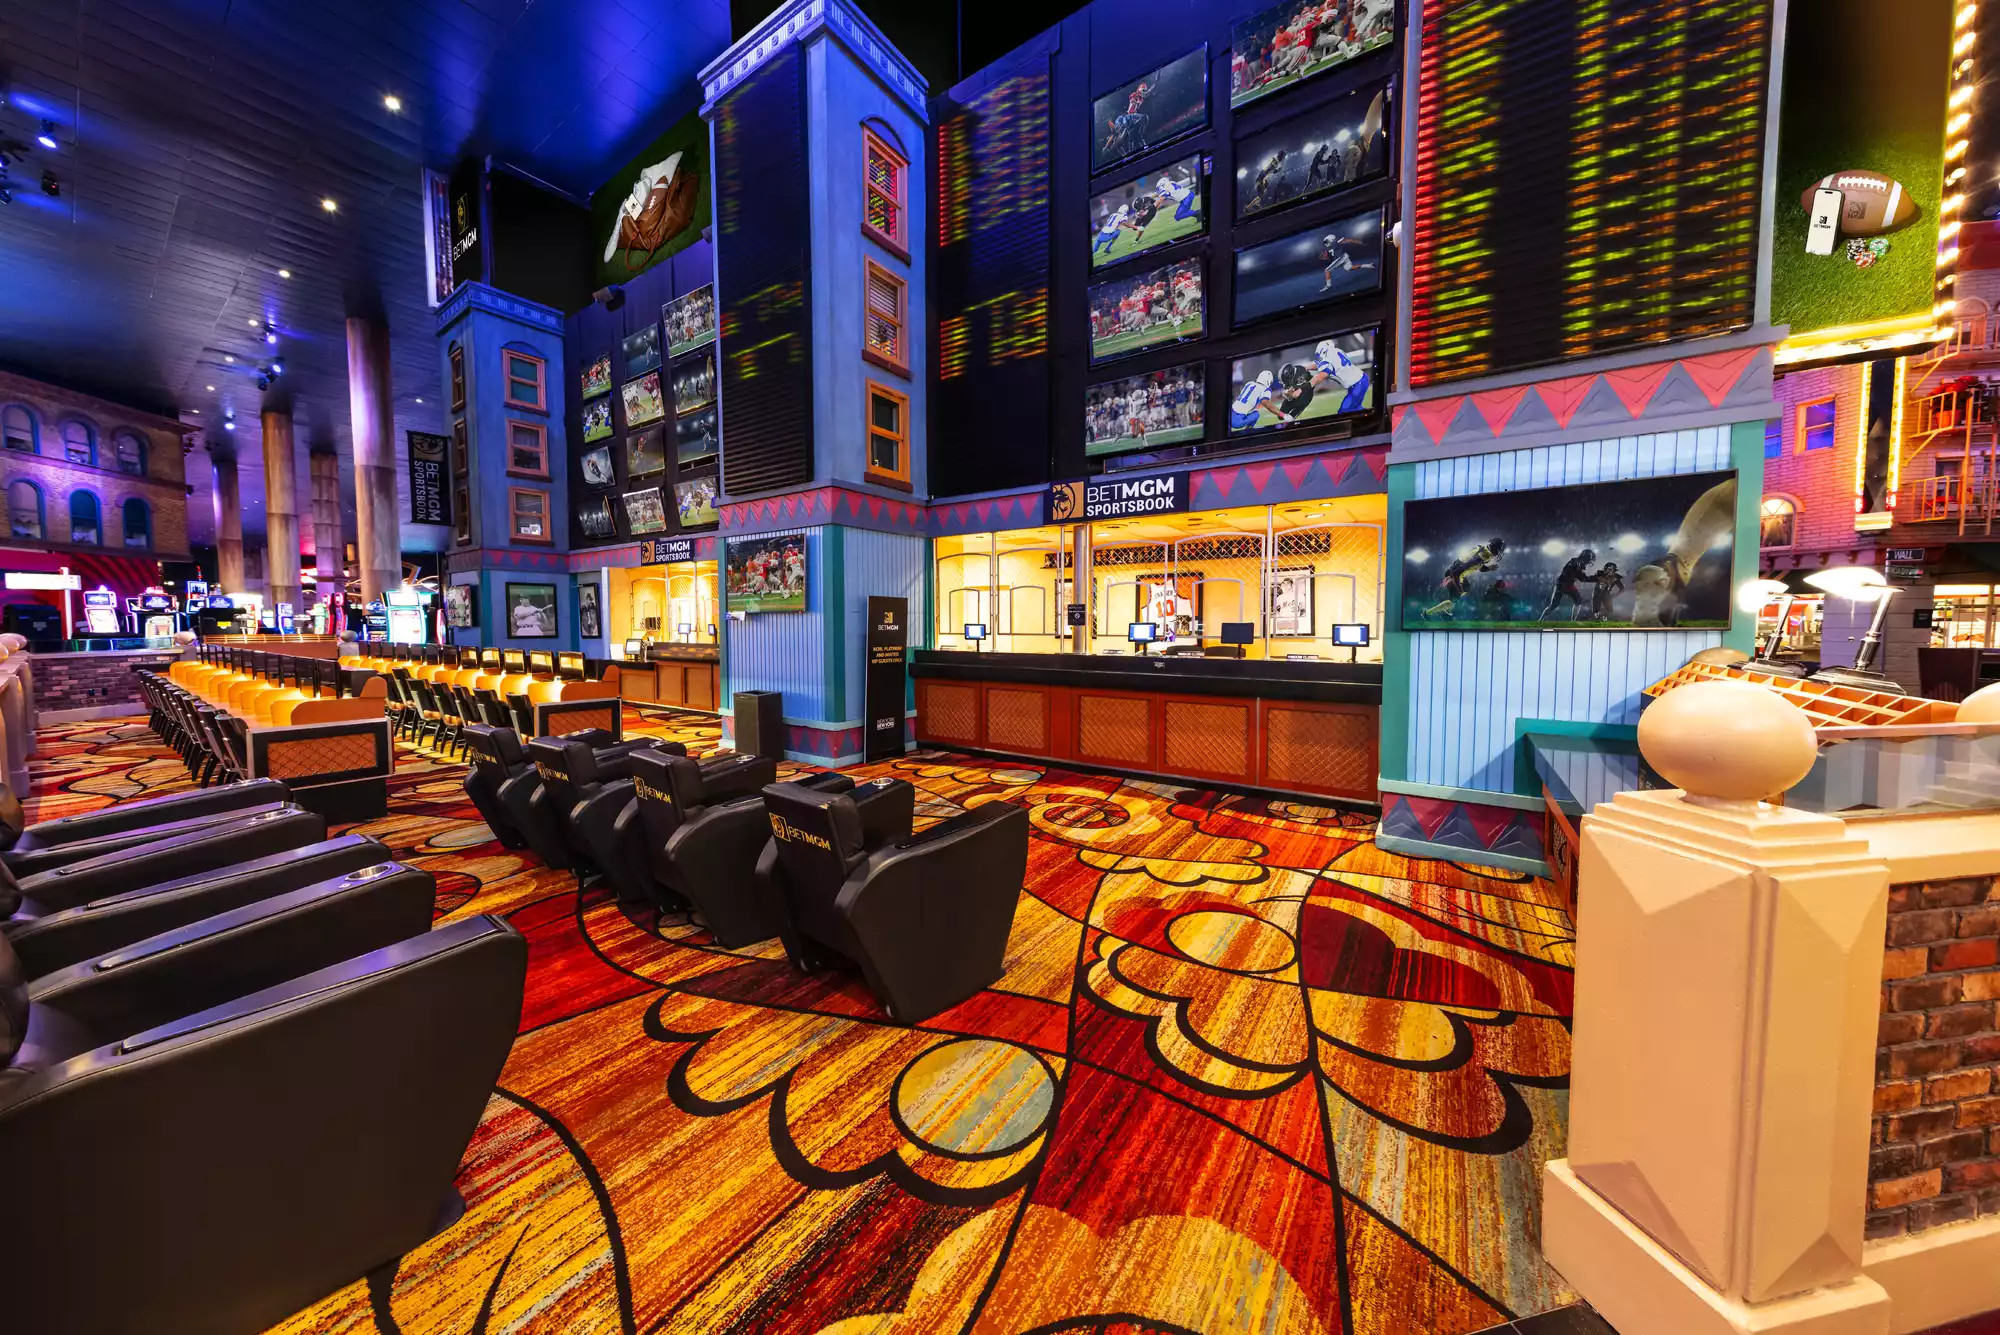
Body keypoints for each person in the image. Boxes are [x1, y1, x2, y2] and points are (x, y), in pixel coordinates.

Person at [1425, 540, 1508, 618]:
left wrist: (1489, 568)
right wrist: (1458, 587)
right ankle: (1427, 613)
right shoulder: (1482, 556)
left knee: (1466, 588)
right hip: (1454, 574)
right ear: (1494, 548)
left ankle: (1446, 605)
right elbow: (1458, 571)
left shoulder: (1483, 551)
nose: (1499, 554)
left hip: (1456, 573)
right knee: (1455, 600)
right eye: (1499, 551)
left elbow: (1479, 566)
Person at [1541, 548, 1598, 620]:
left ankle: (1541, 620)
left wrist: (1597, 578)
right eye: (1590, 559)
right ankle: (1572, 621)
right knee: (1577, 601)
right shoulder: (1575, 562)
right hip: (1564, 584)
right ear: (1587, 557)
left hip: (1563, 584)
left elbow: (1583, 579)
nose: (1590, 561)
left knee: (1555, 605)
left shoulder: (1578, 565)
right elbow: (1569, 569)